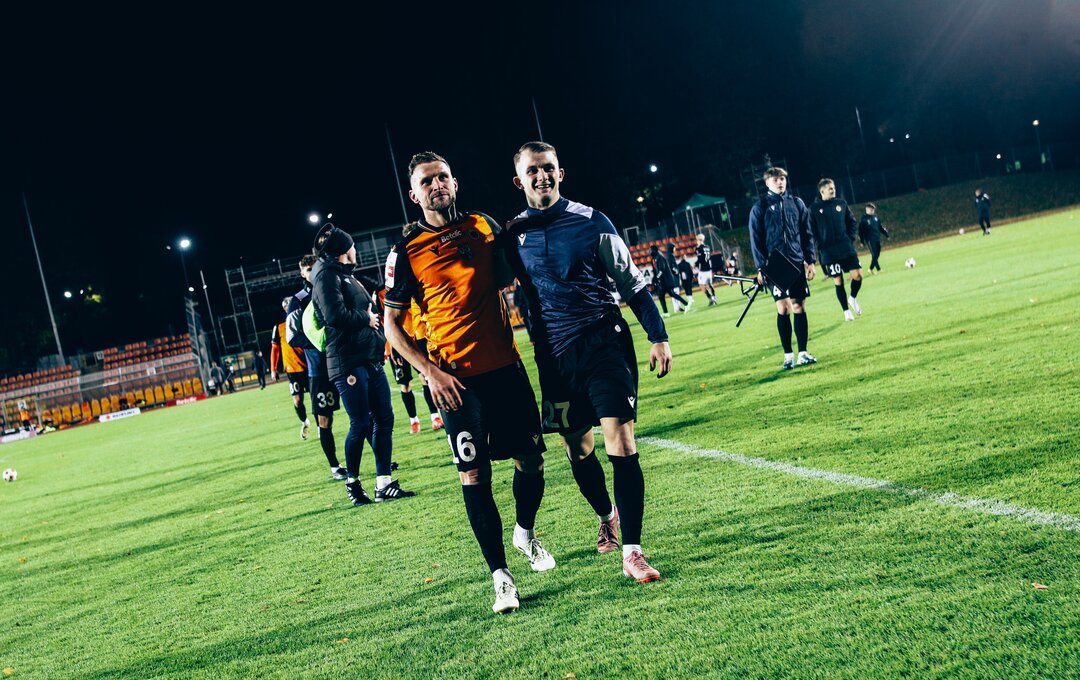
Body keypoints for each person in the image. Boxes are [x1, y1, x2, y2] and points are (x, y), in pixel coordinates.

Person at [384, 151, 552, 614]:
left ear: (454, 183)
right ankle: (501, 578)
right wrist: (431, 372)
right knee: (474, 474)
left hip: (506, 368)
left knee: (531, 461)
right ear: (414, 194)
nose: (436, 185)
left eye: (442, 177)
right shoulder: (405, 251)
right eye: (426, 181)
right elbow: (392, 327)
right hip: (455, 382)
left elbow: (513, 276)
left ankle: (525, 534)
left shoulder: (484, 226)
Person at [505, 141, 672, 585]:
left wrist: (658, 336)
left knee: (621, 439)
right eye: (533, 170)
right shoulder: (513, 234)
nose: (542, 176)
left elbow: (632, 282)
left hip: (603, 342)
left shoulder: (592, 221)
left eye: (549, 168)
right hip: (554, 358)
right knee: (578, 448)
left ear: (561, 173)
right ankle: (606, 515)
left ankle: (633, 552)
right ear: (519, 180)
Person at [310, 225, 412, 504]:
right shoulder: (326, 276)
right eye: (353, 246)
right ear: (344, 250)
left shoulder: (345, 275)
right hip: (348, 360)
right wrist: (366, 319)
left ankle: (384, 484)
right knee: (360, 423)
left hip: (367, 357)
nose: (356, 250)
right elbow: (333, 315)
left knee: (384, 419)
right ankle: (353, 485)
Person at [749, 166, 817, 370]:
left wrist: (810, 260)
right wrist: (761, 267)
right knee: (783, 308)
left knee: (799, 306)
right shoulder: (760, 207)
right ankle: (788, 356)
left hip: (796, 260)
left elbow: (806, 234)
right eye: (776, 179)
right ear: (767, 183)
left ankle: (803, 353)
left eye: (782, 179)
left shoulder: (796, 203)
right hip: (775, 263)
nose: (780, 182)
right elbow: (755, 239)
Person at [287, 256, 347, 480]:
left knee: (362, 411)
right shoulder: (298, 301)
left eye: (315, 267)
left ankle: (382, 460)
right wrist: (321, 342)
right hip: (319, 370)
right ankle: (335, 467)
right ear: (302, 273)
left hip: (344, 361)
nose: (312, 272)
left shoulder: (335, 288)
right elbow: (292, 337)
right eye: (308, 269)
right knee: (325, 420)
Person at [385, 284, 443, 435]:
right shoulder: (385, 292)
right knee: (405, 384)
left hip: (417, 338)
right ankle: (414, 420)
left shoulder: (409, 284)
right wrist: (392, 346)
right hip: (399, 342)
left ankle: (435, 416)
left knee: (425, 376)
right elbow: (387, 321)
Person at [809, 178, 864, 321]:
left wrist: (850, 238)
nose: (833, 190)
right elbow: (811, 231)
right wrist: (820, 246)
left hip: (846, 248)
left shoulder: (841, 204)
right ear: (822, 191)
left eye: (833, 187)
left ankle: (852, 298)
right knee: (838, 281)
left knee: (858, 275)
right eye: (830, 188)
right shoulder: (814, 209)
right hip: (829, 252)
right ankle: (846, 311)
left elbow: (852, 222)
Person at [270, 297, 311, 439]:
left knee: (316, 399)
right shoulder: (279, 327)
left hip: (308, 367)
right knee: (297, 401)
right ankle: (305, 422)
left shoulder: (304, 320)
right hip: (292, 370)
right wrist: (273, 368)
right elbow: (275, 349)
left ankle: (321, 426)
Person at [649, 244, 689, 316]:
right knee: (665, 295)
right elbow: (656, 271)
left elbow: (662, 269)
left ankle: (685, 304)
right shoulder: (654, 259)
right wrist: (654, 279)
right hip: (663, 281)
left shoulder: (660, 257)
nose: (649, 252)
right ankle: (667, 312)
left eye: (650, 250)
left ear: (654, 250)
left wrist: (657, 278)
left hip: (666, 280)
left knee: (668, 294)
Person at [857, 203, 889, 272]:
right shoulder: (864, 219)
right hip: (870, 240)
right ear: (867, 209)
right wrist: (862, 241)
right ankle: (876, 269)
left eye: (873, 209)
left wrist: (886, 234)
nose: (872, 210)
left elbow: (880, 227)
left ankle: (872, 269)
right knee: (874, 254)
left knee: (878, 253)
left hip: (877, 238)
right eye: (871, 208)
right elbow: (861, 231)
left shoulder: (876, 217)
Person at [693, 233, 718, 304]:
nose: (696, 241)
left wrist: (695, 264)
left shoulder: (698, 248)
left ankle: (710, 298)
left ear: (700, 240)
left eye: (697, 240)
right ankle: (714, 296)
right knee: (709, 284)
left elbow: (700, 258)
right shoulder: (707, 247)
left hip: (703, 269)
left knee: (701, 285)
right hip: (708, 268)